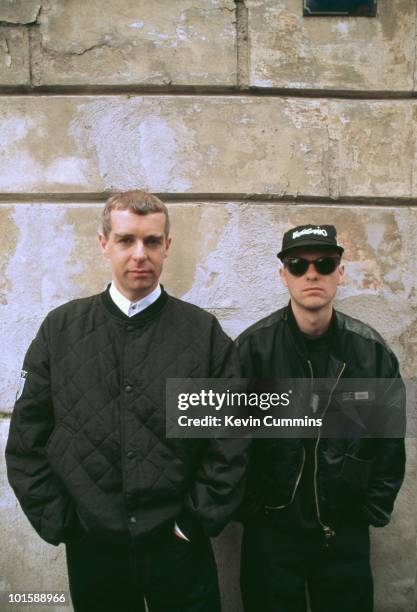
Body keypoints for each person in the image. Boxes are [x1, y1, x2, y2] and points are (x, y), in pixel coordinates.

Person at [6, 190, 249, 612]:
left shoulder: (201, 335)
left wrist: (193, 522)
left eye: (152, 241)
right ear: (104, 244)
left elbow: (229, 441)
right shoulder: (61, 331)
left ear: (167, 246)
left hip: (179, 549)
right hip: (93, 549)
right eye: (126, 240)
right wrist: (66, 523)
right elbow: (27, 442)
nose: (140, 254)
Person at [237, 224, 405, 612]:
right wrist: (251, 512)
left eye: (324, 263)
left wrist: (368, 511)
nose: (311, 274)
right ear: (284, 275)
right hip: (271, 535)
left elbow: (389, 442)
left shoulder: (370, 353)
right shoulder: (253, 350)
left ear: (340, 273)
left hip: (343, 533)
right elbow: (229, 440)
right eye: (298, 265)